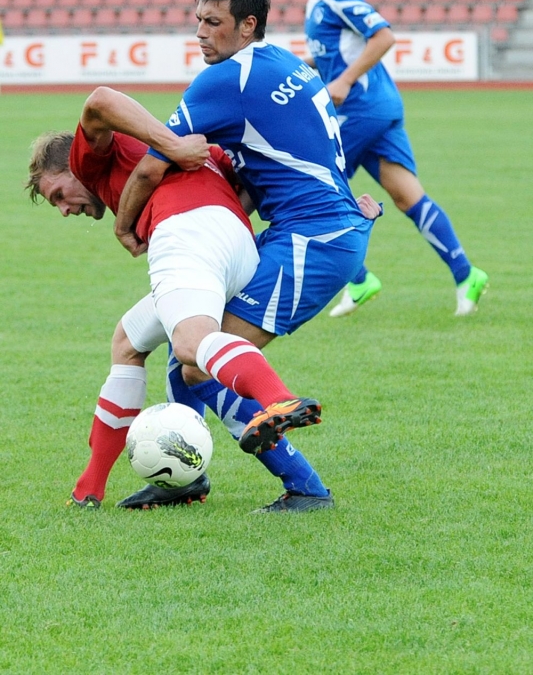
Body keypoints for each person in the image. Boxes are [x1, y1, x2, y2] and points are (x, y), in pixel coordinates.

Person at [108, 0, 382, 510]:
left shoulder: (222, 82)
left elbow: (148, 169)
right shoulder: (286, 63)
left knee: (196, 360)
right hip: (321, 229)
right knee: (188, 344)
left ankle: (305, 487)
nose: (201, 34)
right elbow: (269, 166)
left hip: (311, 240)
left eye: (214, 22)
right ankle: (187, 481)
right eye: (198, 21)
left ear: (247, 24)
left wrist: (124, 225)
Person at [26, 87, 343, 512]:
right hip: (235, 242)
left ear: (74, 162)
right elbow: (250, 179)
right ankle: (96, 490)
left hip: (184, 231)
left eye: (58, 194)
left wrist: (170, 145)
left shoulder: (92, 158)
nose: (64, 209)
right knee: (133, 342)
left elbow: (100, 100)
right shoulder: (200, 153)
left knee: (191, 344)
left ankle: (276, 398)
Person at [292, 0, 489, 318]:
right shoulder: (316, 2)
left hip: (362, 108)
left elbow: (383, 35)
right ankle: (467, 274)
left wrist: (345, 80)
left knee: (312, 181)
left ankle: (360, 279)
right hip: (377, 109)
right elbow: (337, 51)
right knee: (406, 195)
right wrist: (302, 65)